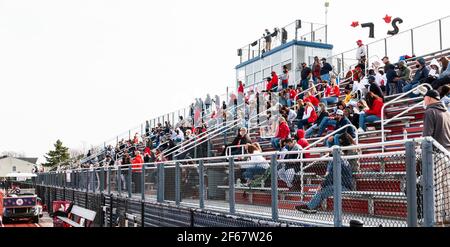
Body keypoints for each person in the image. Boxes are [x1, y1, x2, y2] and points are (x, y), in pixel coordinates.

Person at [295, 149, 354, 213]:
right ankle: (312, 206)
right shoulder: (342, 160)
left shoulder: (336, 161)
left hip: (344, 187)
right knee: (323, 190)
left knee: (322, 190)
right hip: (343, 186)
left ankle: (310, 207)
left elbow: (331, 176)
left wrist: (322, 185)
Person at [422, 90, 450, 224]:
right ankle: (448, 216)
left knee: (436, 187)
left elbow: (427, 137)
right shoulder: (447, 112)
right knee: (447, 187)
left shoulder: (429, 112)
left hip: (436, 155)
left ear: (429, 98)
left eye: (425, 98)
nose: (424, 101)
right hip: (448, 154)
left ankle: (437, 219)